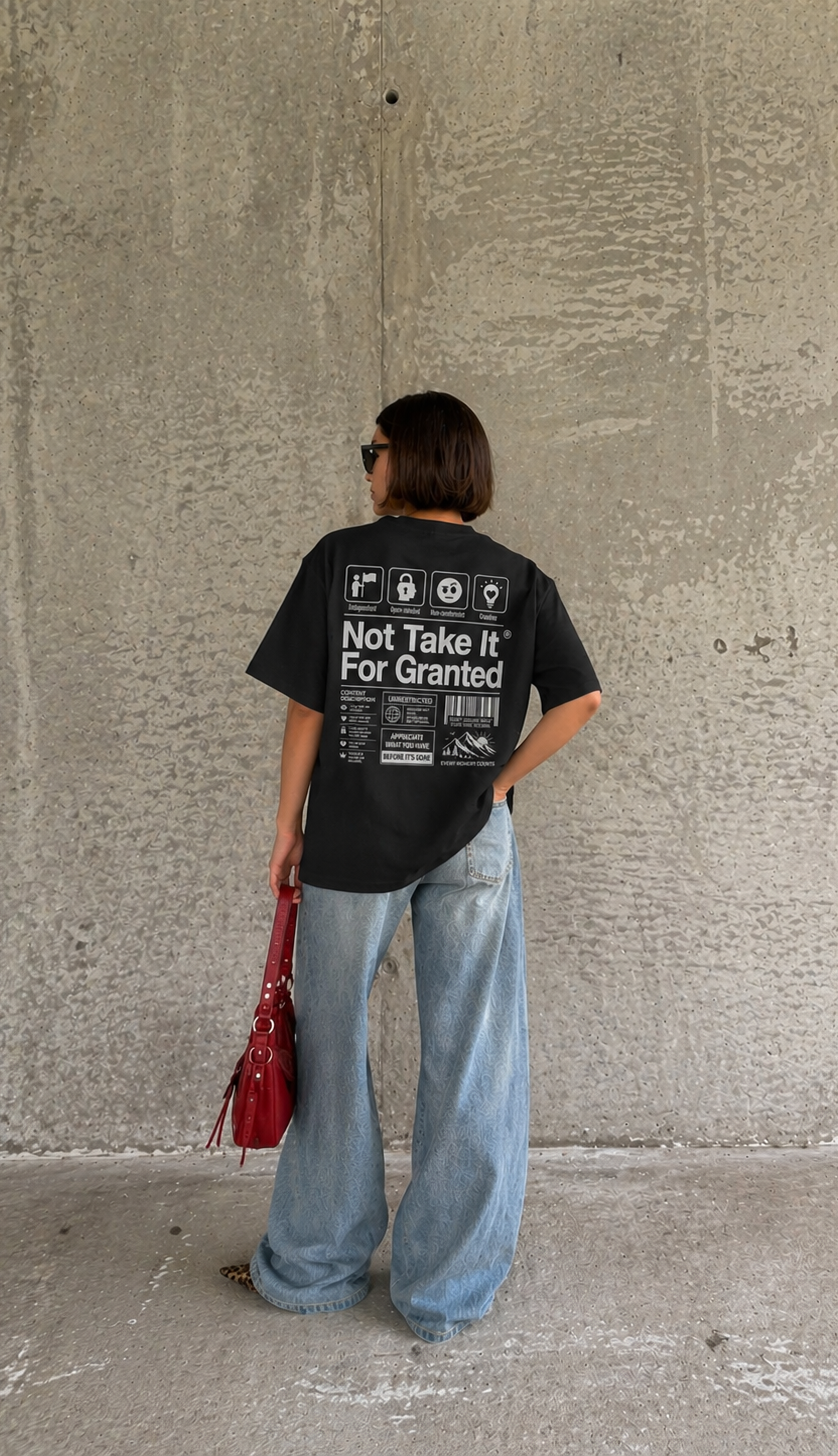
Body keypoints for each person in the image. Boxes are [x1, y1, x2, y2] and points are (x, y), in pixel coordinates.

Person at [221, 391, 600, 1343]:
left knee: (330, 1047)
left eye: (375, 450)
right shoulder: (518, 579)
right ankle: (445, 1291)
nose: (368, 466)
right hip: (473, 838)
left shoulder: (340, 561)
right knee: (473, 1056)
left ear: (414, 458)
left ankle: (313, 1267)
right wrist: (498, 784)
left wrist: (287, 824)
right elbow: (581, 700)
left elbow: (309, 707)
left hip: (353, 840)